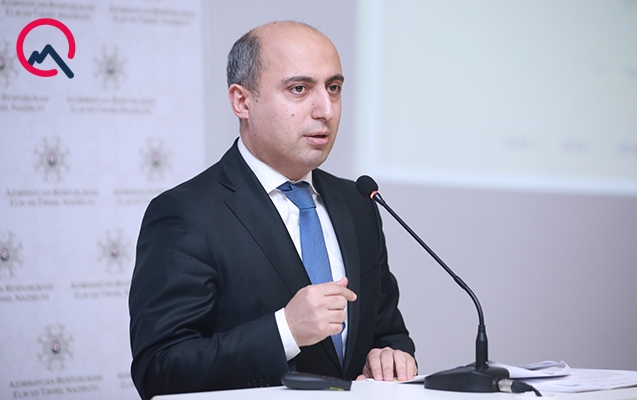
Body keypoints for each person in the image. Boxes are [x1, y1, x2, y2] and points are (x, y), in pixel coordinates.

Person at [129, 21, 416, 400]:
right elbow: (159, 369)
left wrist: (390, 356)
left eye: (333, 88)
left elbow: (387, 332)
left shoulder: (357, 202)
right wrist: (285, 331)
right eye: (299, 89)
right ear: (242, 101)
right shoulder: (186, 214)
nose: (326, 109)